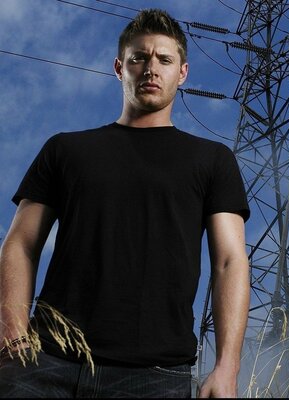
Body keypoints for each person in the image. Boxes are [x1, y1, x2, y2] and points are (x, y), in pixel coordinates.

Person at [0, 8, 250, 398]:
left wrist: (227, 367)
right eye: (139, 57)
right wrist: (12, 333)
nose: (151, 68)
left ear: (182, 73)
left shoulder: (213, 160)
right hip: (47, 362)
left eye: (165, 59)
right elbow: (20, 243)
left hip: (156, 375)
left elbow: (230, 261)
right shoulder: (65, 149)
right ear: (120, 67)